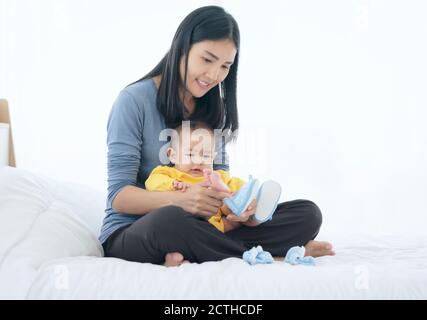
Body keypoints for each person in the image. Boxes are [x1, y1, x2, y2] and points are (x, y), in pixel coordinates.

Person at [99, 5, 335, 267]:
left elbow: (219, 179)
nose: (214, 75)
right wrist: (181, 200)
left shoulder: (213, 109)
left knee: (307, 214)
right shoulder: (133, 101)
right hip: (138, 230)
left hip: (209, 227)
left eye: (225, 66)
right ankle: (274, 255)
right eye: (207, 59)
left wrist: (241, 211)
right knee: (172, 221)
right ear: (182, 47)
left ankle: (223, 249)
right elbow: (119, 198)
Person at [145, 120, 266, 233]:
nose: (198, 160)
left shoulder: (217, 177)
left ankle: (253, 206)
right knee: (168, 220)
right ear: (172, 155)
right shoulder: (169, 174)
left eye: (206, 155)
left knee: (232, 215)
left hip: (212, 228)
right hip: (182, 225)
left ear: (213, 157)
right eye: (190, 154)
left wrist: (250, 197)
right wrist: (173, 185)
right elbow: (152, 183)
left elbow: (238, 185)